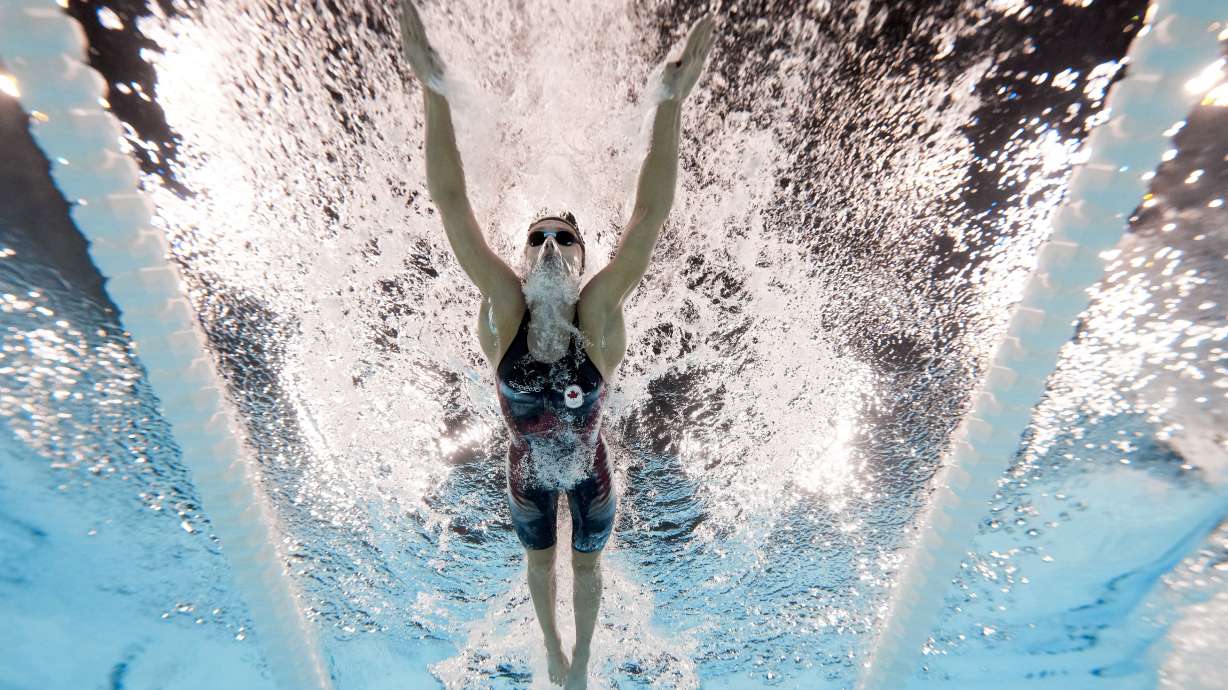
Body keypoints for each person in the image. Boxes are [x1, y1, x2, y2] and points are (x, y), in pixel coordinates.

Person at [397, 3, 715, 688]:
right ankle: (551, 651)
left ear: (579, 259)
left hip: (592, 468)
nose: (547, 245)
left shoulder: (599, 316)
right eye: (537, 237)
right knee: (543, 565)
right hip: (528, 476)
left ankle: (584, 661)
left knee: (587, 564)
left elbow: (648, 219)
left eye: (562, 238)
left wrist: (669, 101)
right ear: (521, 255)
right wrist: (433, 88)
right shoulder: (504, 309)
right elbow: (452, 203)